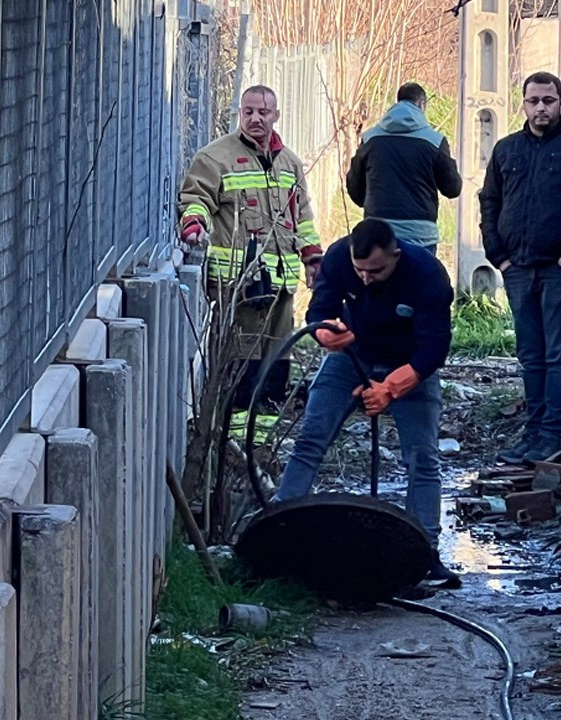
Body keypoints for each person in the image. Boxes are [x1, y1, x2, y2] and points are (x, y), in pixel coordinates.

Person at [271, 219, 458, 586]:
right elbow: (319, 308)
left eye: (376, 270)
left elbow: (434, 348)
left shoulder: (427, 275)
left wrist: (390, 387)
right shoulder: (340, 257)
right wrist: (326, 332)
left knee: (422, 457)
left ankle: (424, 553)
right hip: (351, 357)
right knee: (311, 438)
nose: (367, 278)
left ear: (396, 256)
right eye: (360, 272)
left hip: (409, 362)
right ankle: (279, 528)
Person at [178, 85, 323, 406]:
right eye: (249, 111)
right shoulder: (215, 157)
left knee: (275, 370)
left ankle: (258, 448)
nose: (255, 118)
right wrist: (193, 224)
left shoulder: (290, 163)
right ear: (239, 113)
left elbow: (303, 216)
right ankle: (231, 444)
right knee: (240, 369)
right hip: (237, 287)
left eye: (263, 112)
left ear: (276, 115)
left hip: (281, 287)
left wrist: (312, 256)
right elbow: (195, 199)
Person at [480, 71, 561, 466]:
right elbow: (489, 201)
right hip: (517, 269)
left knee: (557, 355)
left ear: (559, 102)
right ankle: (533, 433)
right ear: (524, 103)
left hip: (555, 269)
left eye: (548, 100)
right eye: (534, 101)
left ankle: (552, 435)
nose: (541, 108)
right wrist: (500, 256)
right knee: (530, 355)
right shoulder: (506, 149)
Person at [345, 82, 462, 254]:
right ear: (422, 104)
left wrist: (372, 205)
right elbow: (452, 189)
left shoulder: (370, 139)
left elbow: (354, 186)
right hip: (421, 237)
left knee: (380, 279)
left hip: (378, 232)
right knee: (418, 280)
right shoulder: (434, 141)